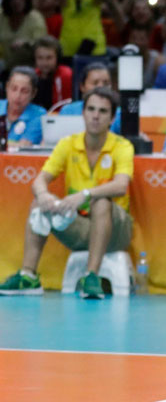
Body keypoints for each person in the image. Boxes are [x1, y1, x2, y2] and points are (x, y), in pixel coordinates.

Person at [0, 88, 133, 299]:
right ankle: (28, 276)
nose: (95, 116)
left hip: (116, 230)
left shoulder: (122, 146)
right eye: (90, 109)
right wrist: (44, 195)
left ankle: (92, 276)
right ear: (83, 113)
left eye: (102, 111)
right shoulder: (68, 144)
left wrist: (86, 194)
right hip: (80, 226)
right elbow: (39, 180)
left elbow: (120, 185)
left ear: (112, 118)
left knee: (101, 202)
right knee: (38, 204)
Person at [59, 62, 123, 134]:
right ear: (82, 86)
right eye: (95, 83)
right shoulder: (68, 111)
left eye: (106, 83)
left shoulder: (119, 114)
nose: (101, 87)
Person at [0, 0, 48, 64]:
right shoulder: (1, 17)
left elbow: (41, 43)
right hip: (5, 64)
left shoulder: (36, 18)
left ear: (26, 0)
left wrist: (26, 44)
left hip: (29, 65)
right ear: (7, 1)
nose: (17, 1)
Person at [2, 66, 44, 147]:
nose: (17, 96)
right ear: (7, 87)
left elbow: (24, 145)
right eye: (14, 89)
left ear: (33, 93)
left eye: (24, 91)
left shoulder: (39, 115)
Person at [32, 35, 73, 109]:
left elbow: (66, 106)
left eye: (49, 57)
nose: (44, 62)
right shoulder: (33, 75)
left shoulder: (66, 75)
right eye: (40, 58)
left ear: (57, 57)